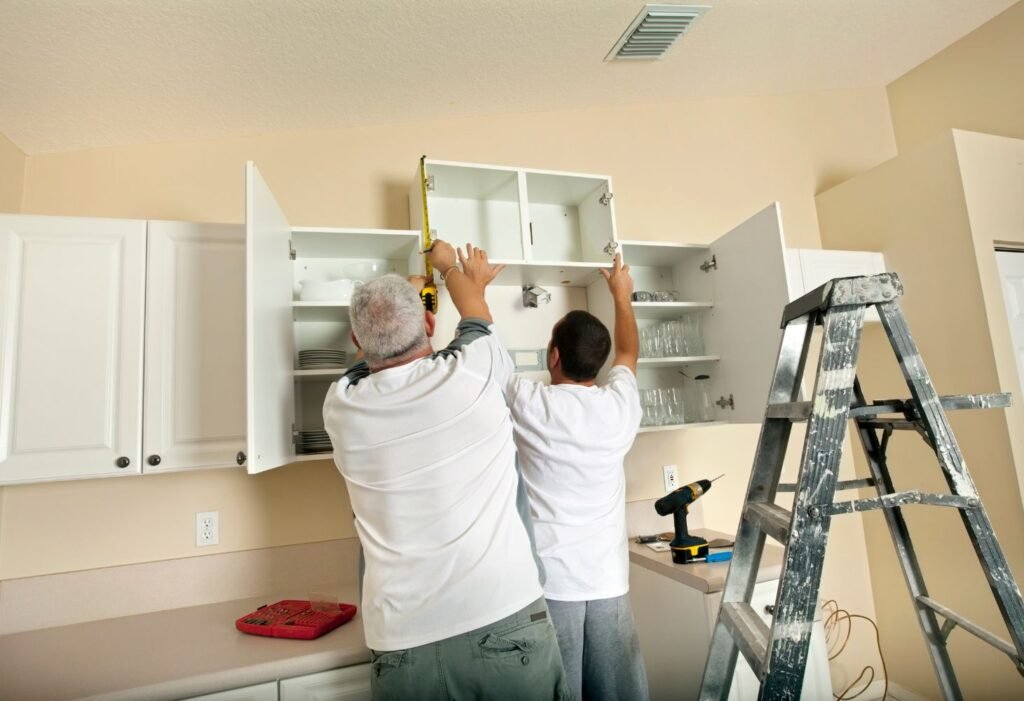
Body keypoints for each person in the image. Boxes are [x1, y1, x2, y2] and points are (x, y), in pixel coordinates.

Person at [322, 241, 570, 701]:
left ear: (357, 342)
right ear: (430, 324)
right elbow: (474, 311)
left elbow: (363, 370)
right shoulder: (475, 373)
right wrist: (448, 266)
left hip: (401, 644)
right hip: (503, 617)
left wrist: (409, 296)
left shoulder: (340, 408)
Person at [505, 253, 649, 701]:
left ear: (553, 355)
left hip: (551, 587)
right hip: (609, 582)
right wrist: (621, 296)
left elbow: (486, 358)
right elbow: (628, 351)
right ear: (599, 362)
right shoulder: (620, 405)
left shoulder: (531, 404)